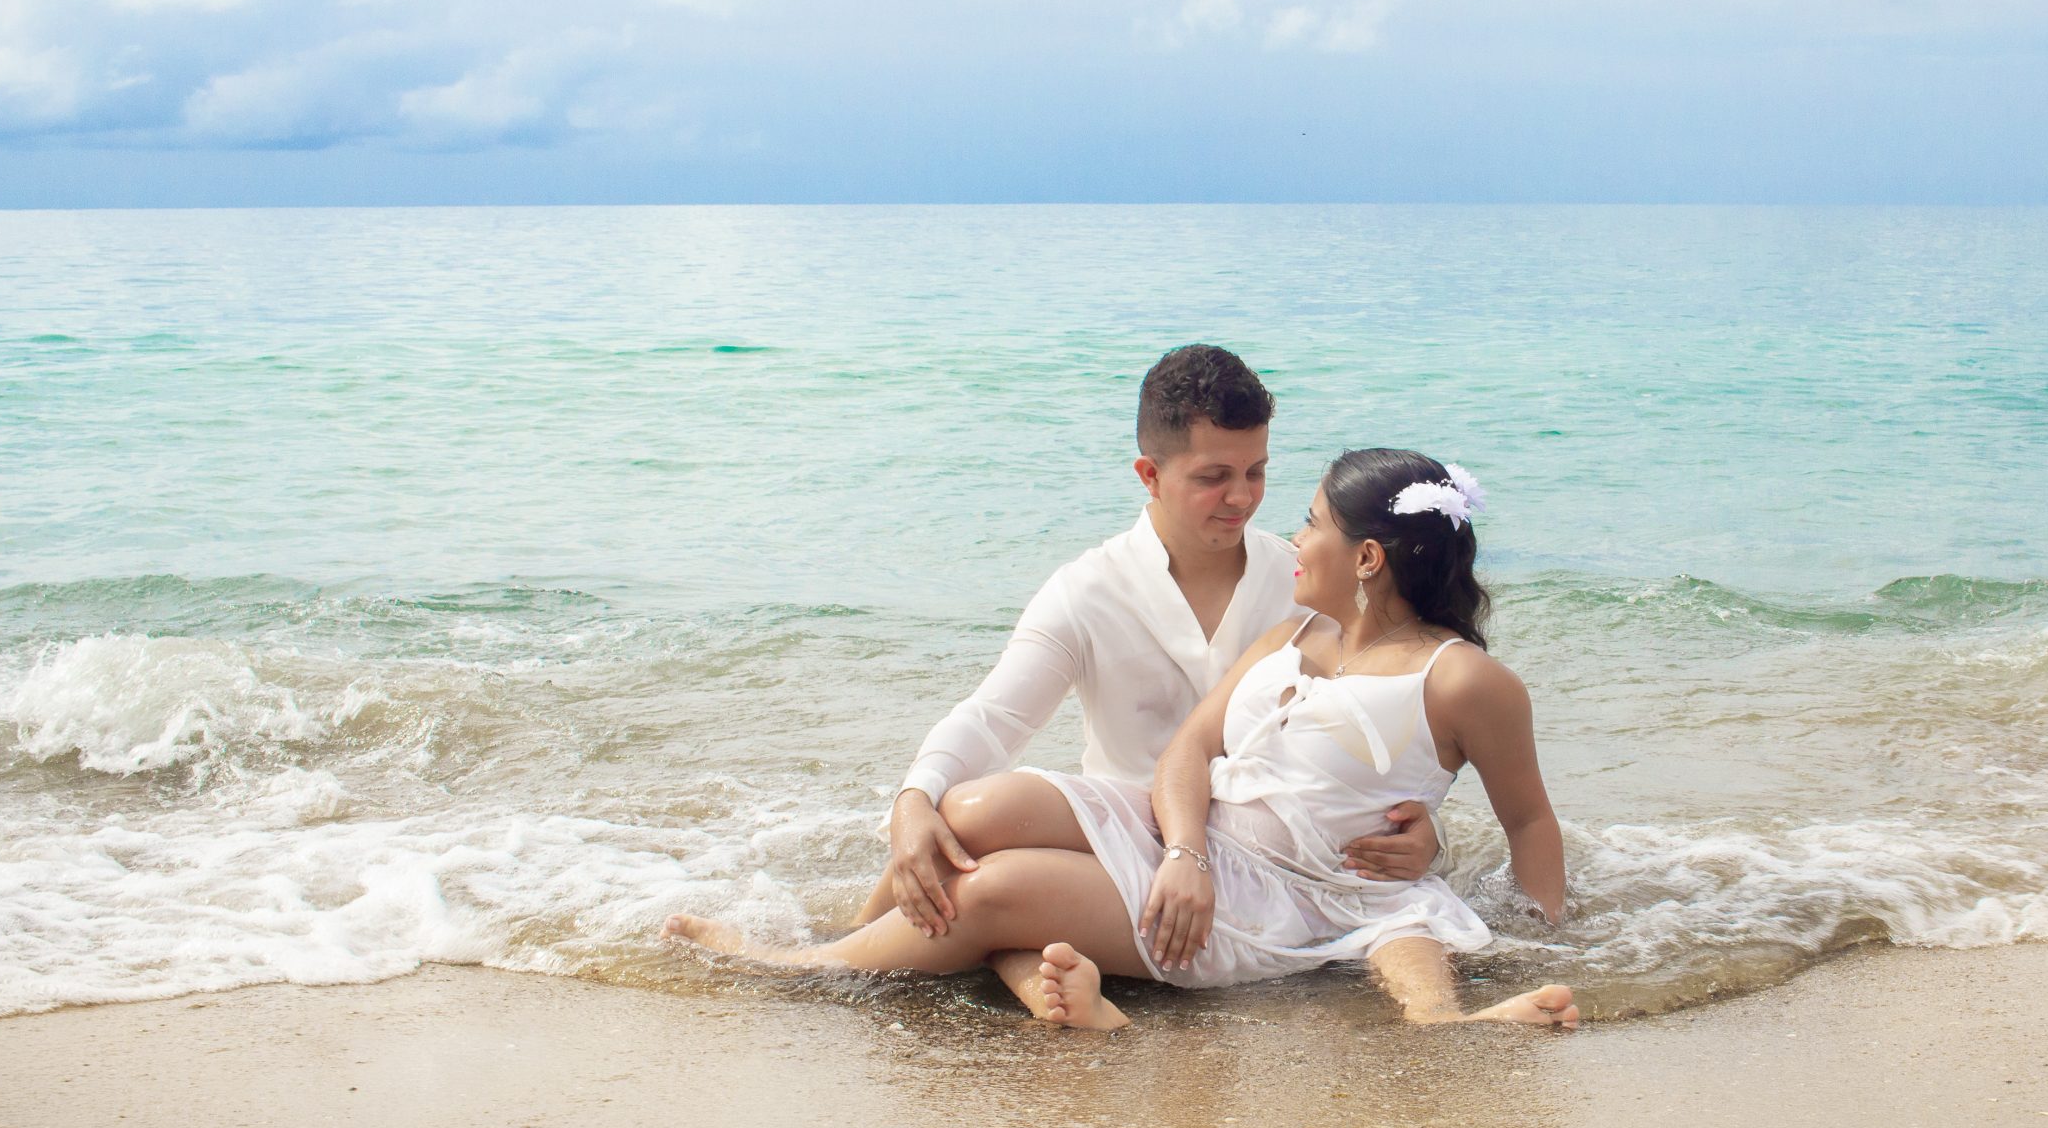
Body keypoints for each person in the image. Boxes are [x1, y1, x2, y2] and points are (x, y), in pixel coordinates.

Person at [665, 447, 1579, 1032]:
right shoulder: (1294, 635)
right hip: (1190, 838)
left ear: (1369, 558)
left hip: (1295, 897)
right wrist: (1186, 852)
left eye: (1306, 516)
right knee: (975, 806)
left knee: (999, 890)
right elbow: (1188, 750)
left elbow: (1531, 822)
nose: (1282, 527)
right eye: (1229, 480)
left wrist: (1538, 935)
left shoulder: (1463, 679)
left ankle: (803, 970)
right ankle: (876, 942)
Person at [837, 345, 1441, 1027]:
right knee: (962, 811)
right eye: (1214, 476)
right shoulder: (1087, 590)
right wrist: (913, 800)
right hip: (1113, 838)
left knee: (985, 871)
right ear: (1149, 474)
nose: (1242, 497)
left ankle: (996, 966)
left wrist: (1427, 832)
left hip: (1270, 867)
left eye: (1257, 471)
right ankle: (866, 949)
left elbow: (1389, 719)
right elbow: (992, 717)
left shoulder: (1303, 580)